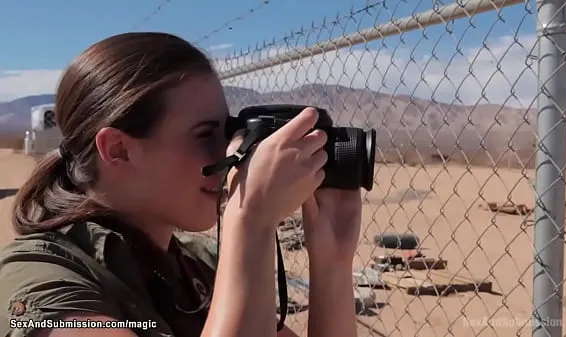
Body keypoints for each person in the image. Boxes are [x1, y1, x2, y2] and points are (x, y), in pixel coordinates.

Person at [0, 32, 362, 337]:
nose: (230, 153)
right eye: (205, 134)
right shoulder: (38, 281)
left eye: (228, 132)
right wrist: (250, 220)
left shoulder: (199, 265)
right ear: (119, 151)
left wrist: (332, 265)